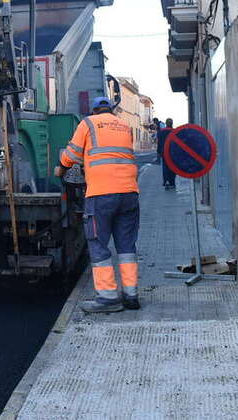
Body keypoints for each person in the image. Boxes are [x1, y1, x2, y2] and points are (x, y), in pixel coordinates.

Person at [55, 96, 140, 313]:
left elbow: (72, 154)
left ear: (94, 111)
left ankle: (108, 297)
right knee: (126, 246)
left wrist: (61, 169)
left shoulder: (88, 123)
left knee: (98, 243)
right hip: (129, 194)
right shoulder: (125, 126)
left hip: (101, 194)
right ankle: (131, 296)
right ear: (111, 110)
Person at [157, 117, 176, 189]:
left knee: (165, 167)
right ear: (172, 123)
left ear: (166, 123)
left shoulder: (161, 132)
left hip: (164, 152)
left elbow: (159, 143)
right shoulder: (174, 131)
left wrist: (158, 152)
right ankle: (172, 182)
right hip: (173, 152)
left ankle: (166, 181)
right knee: (173, 167)